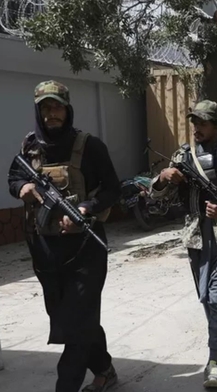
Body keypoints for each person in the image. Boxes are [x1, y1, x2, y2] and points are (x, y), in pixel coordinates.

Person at [7, 80, 120, 391]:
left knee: (78, 322)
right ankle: (104, 368)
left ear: (67, 109)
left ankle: (66, 386)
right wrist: (23, 188)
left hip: (86, 250)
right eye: (45, 107)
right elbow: (14, 175)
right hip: (45, 251)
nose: (51, 113)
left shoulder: (90, 146)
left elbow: (112, 188)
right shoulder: (30, 147)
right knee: (68, 319)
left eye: (56, 106)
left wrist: (85, 209)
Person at [149, 100, 217, 389]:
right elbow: (158, 197)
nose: (197, 128)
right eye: (194, 122)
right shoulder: (183, 156)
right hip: (196, 238)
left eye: (203, 122)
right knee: (206, 298)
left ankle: (212, 362)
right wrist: (163, 178)